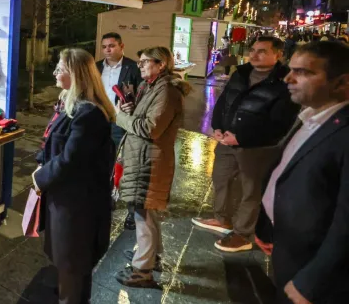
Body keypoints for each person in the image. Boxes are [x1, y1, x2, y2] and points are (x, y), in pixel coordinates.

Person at [255, 41, 349, 304]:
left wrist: (313, 282)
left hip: (316, 272)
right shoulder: (310, 117)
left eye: (303, 72)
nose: (288, 78)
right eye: (290, 69)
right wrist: (267, 226)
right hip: (288, 248)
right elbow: (284, 174)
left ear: (341, 82)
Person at [192, 37, 301, 252]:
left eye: (261, 51)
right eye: (252, 50)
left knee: (250, 190)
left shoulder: (285, 80)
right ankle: (222, 219)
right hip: (226, 141)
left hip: (256, 147)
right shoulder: (240, 73)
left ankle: (243, 234)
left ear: (278, 54)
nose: (254, 54)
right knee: (221, 179)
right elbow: (224, 101)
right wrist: (217, 126)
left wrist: (242, 138)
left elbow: (279, 123)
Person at [33, 48, 116, 304]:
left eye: (61, 68)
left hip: (79, 207)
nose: (56, 72)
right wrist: (40, 163)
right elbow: (52, 143)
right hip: (66, 200)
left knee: (73, 267)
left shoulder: (89, 113)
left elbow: (72, 159)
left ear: (77, 74)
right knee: (66, 264)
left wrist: (40, 178)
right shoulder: (70, 103)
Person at [114, 47, 192, 288]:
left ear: (161, 64)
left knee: (143, 213)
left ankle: (142, 270)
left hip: (150, 160)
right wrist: (131, 110)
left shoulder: (167, 91)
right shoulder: (151, 86)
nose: (140, 66)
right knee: (147, 211)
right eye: (139, 62)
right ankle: (151, 256)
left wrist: (119, 117)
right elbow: (145, 118)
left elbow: (151, 128)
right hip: (143, 157)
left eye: (145, 62)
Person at [96, 32, 142, 148]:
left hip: (119, 118)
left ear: (122, 46)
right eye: (104, 47)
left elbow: (142, 93)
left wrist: (134, 105)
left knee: (117, 150)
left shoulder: (133, 68)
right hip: (98, 116)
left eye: (111, 46)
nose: (107, 50)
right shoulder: (96, 67)